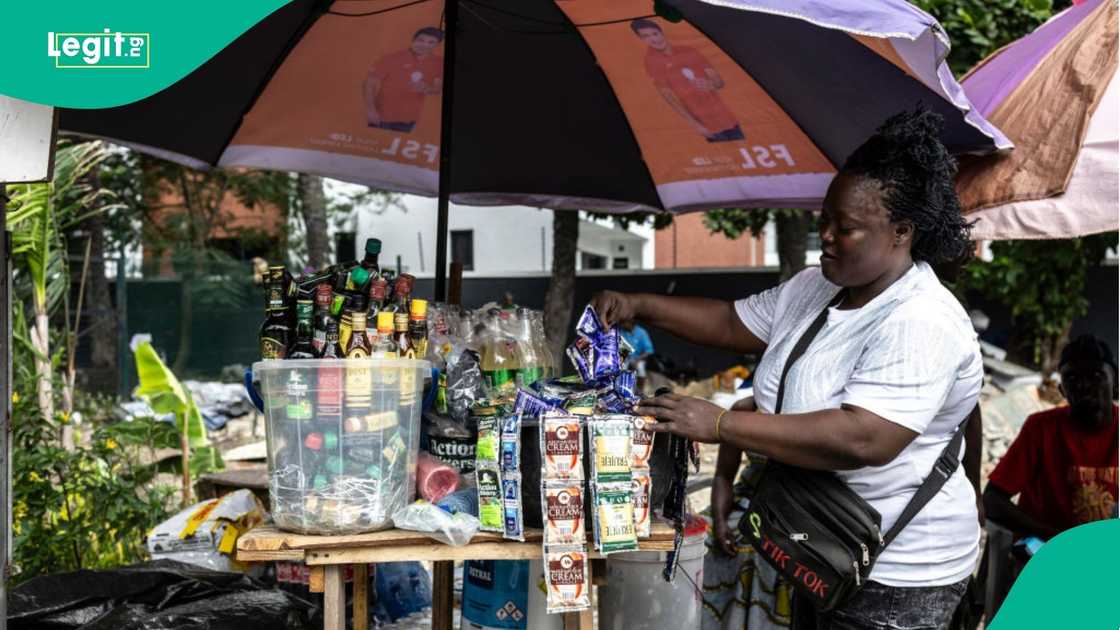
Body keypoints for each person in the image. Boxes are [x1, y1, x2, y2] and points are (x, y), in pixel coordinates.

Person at [593, 108, 982, 630]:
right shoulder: (816, 287)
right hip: (819, 543)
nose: (825, 236)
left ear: (901, 232)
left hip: (897, 576)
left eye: (846, 229)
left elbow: (864, 438)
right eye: (825, 220)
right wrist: (638, 303)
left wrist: (720, 424)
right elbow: (732, 323)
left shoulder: (921, 318)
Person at [983, 335, 1118, 545]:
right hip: (1047, 554)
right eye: (1072, 378)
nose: (1084, 385)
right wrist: (1057, 539)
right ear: (1062, 390)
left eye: (1096, 375)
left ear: (1116, 383)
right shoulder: (1041, 429)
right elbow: (992, 500)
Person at [630, 19, 744, 143]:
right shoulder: (652, 62)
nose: (654, 39)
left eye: (655, 34)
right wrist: (695, 124)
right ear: (641, 39)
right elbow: (668, 96)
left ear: (661, 32)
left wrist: (711, 84)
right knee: (730, 158)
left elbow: (718, 81)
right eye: (646, 36)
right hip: (705, 124)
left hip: (726, 118)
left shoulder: (689, 50)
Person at [363, 27, 444, 133]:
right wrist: (371, 110)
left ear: (436, 45)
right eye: (421, 40)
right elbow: (369, 84)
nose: (424, 45)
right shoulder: (392, 58)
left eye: (431, 42)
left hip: (409, 119)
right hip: (382, 116)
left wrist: (427, 88)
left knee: (396, 147)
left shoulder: (439, 63)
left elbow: (437, 89)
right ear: (413, 40)